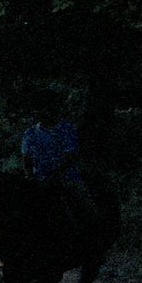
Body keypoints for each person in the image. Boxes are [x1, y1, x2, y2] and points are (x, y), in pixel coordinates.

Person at [20, 97, 100, 226]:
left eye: (43, 109)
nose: (40, 113)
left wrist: (54, 176)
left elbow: (70, 156)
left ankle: (96, 228)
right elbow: (26, 158)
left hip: (66, 177)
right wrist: (30, 176)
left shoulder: (66, 129)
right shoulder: (29, 133)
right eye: (38, 110)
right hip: (38, 178)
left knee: (85, 203)